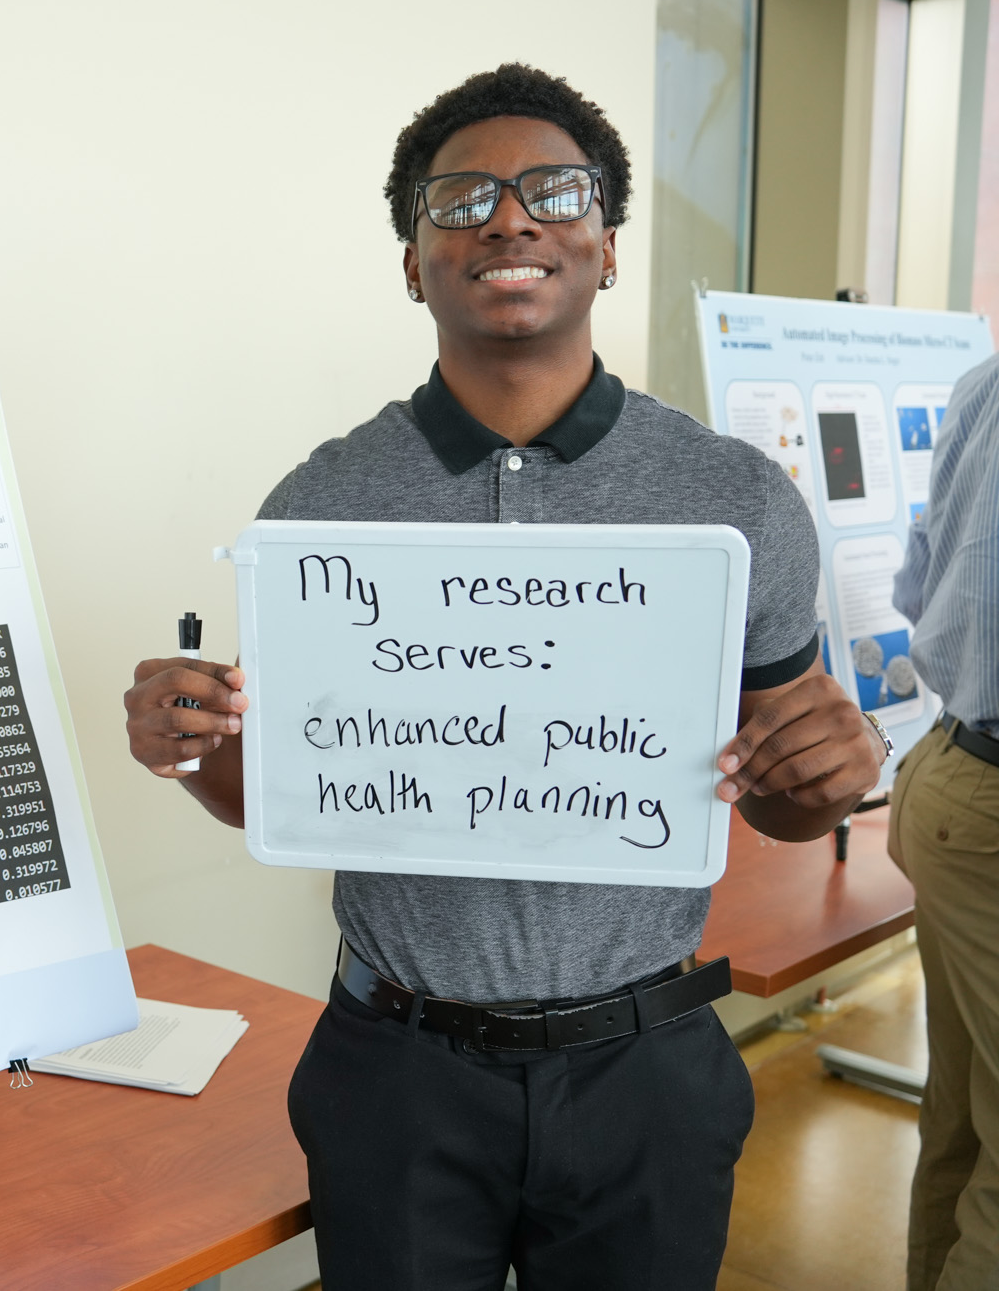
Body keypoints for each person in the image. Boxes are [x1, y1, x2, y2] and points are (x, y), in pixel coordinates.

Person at [122, 65, 886, 1290]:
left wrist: (830, 776)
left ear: (606, 244)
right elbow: (283, 788)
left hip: (647, 1063)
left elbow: (784, 800)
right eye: (461, 198)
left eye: (553, 191)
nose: (509, 218)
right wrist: (197, 744)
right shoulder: (320, 504)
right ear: (413, 260)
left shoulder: (733, 499)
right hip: (396, 1070)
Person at [890, 355, 999, 1290]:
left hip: (956, 773)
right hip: (986, 803)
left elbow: (918, 589)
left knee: (965, 1111)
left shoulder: (986, 380)